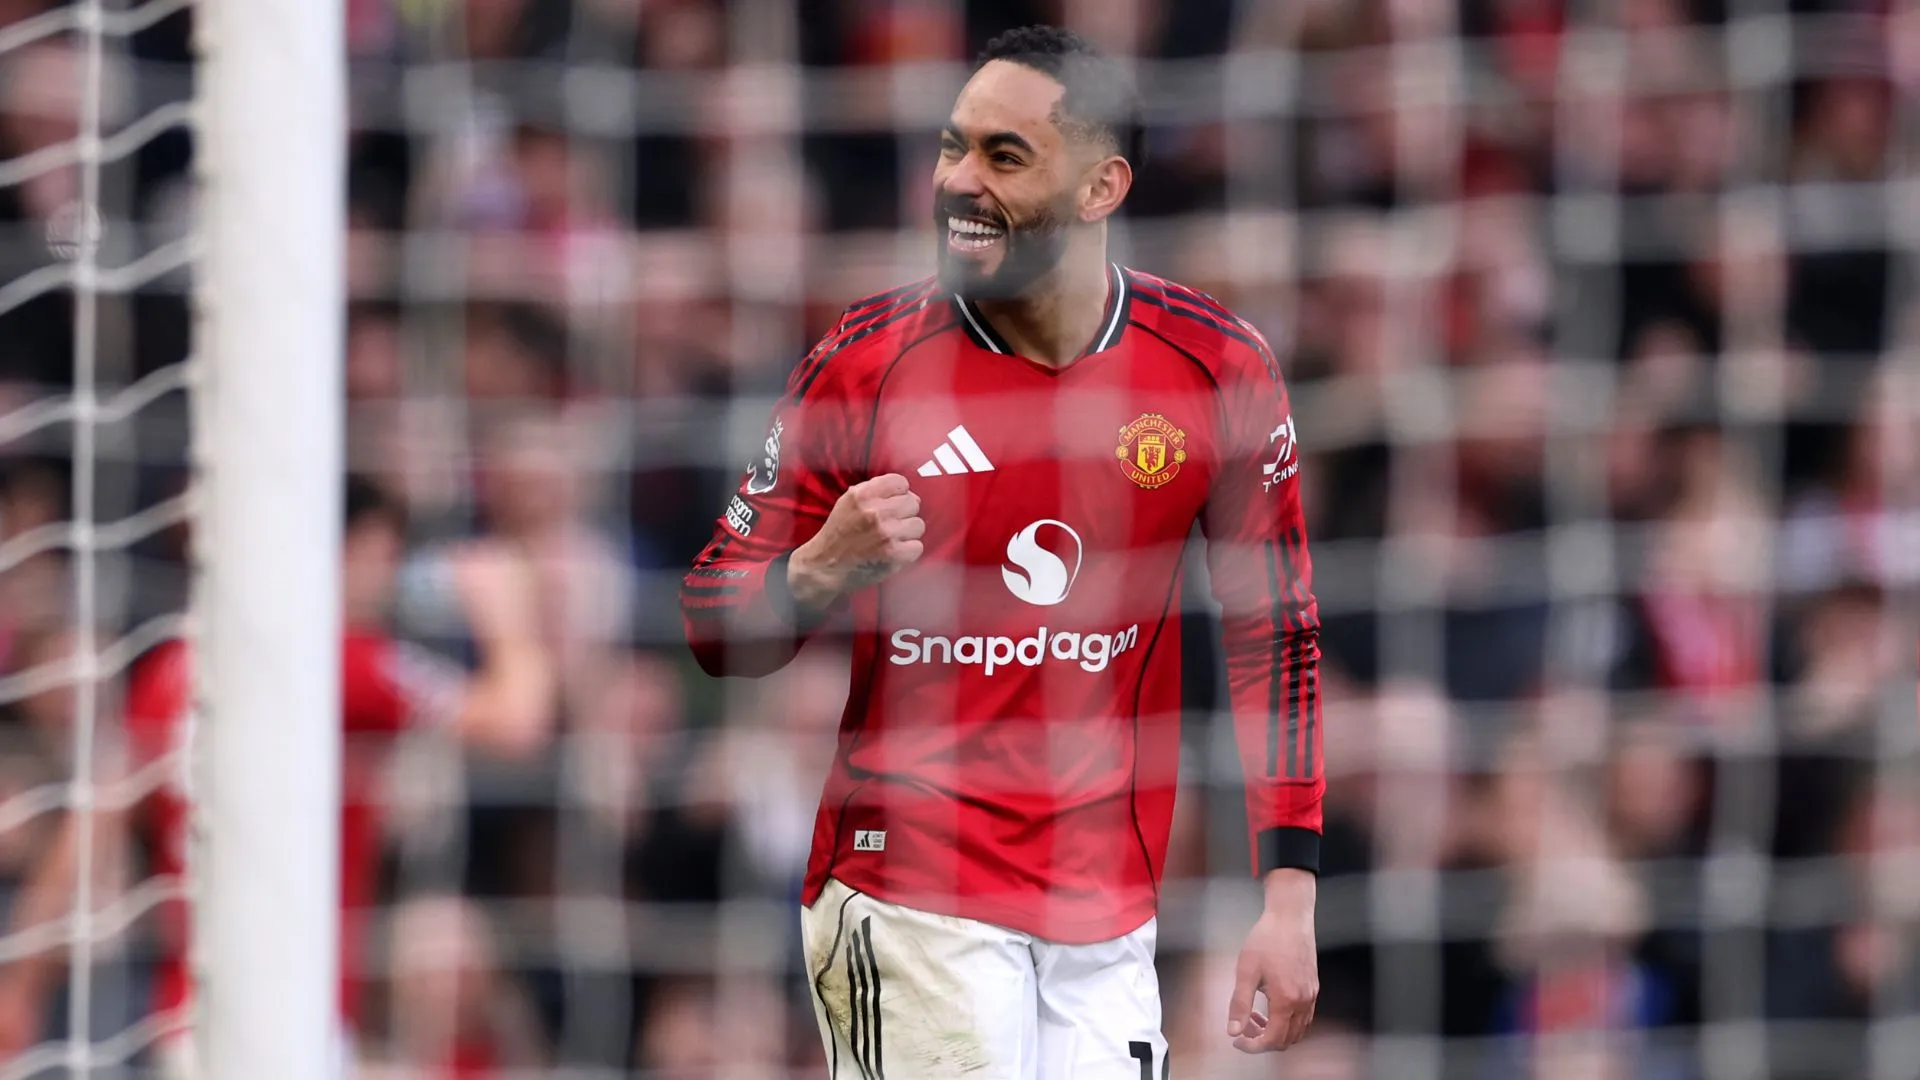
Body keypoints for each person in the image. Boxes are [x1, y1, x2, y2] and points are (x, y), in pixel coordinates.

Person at [682, 25, 1323, 1078]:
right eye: (951, 147)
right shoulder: (865, 366)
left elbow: (1279, 638)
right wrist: (818, 570)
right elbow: (712, 620)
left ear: (1100, 186)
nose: (957, 183)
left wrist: (1288, 893)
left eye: (1003, 156)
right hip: (909, 888)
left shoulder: (1215, 370)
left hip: (1104, 907)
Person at [0, 477, 555, 1076]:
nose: (387, 583)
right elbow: (517, 723)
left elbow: (87, 831)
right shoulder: (342, 660)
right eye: (382, 558)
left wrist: (22, 988)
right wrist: (509, 615)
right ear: (344, 554)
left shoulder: (172, 670)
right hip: (288, 1024)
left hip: (187, 1021)